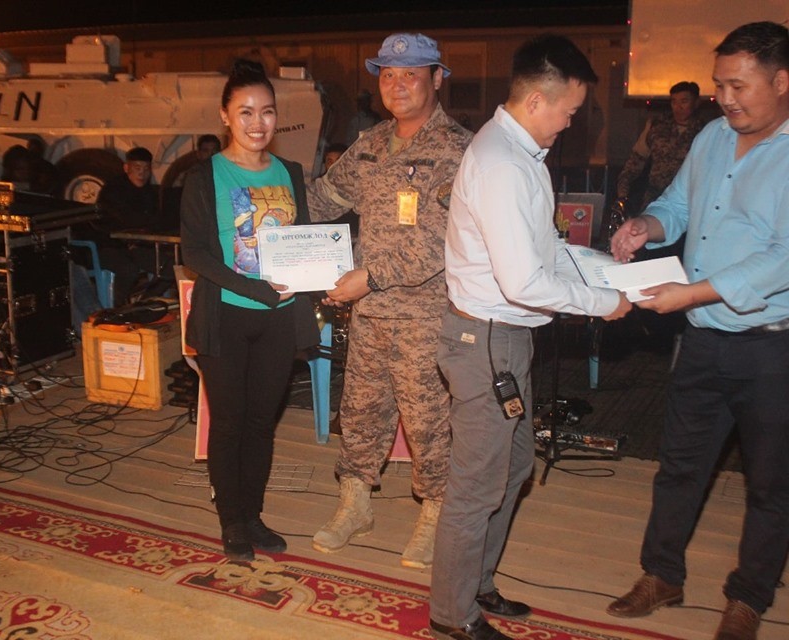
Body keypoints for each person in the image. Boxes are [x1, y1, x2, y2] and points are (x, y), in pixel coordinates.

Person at [428, 35, 631, 640]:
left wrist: (606, 270)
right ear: (538, 100)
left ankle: (477, 582)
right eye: (569, 111)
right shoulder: (503, 166)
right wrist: (604, 303)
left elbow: (544, 251)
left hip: (505, 340)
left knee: (514, 469)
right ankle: (451, 615)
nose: (570, 123)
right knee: (476, 486)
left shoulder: (522, 156)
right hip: (487, 341)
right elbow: (523, 283)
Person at [607, 22, 789, 640]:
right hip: (704, 339)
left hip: (773, 347)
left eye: (738, 85)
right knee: (680, 466)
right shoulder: (712, 138)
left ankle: (748, 599)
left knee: (771, 483)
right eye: (719, 85)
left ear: (782, 81)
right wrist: (647, 226)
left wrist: (692, 292)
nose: (724, 98)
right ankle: (662, 574)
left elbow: (782, 259)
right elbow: (679, 206)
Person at [306, 33, 473, 569]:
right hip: (370, 313)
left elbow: (442, 240)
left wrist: (370, 277)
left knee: (428, 421)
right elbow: (323, 199)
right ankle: (355, 504)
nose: (397, 85)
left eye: (411, 74)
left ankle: (436, 516)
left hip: (427, 315)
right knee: (360, 413)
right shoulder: (371, 144)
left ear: (437, 78)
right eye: (388, 75)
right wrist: (265, 201)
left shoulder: (460, 150)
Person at [180, 59, 320, 562]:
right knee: (230, 423)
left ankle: (254, 516)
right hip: (228, 316)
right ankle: (232, 522)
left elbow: (302, 241)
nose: (257, 123)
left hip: (279, 319)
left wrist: (320, 274)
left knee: (262, 423)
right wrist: (254, 289)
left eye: (266, 111)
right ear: (225, 116)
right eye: (245, 112)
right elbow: (195, 252)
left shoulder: (291, 173)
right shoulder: (205, 176)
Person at [614, 81, 706, 214]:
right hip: (655, 198)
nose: (678, 107)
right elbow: (635, 162)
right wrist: (622, 194)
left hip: (688, 201)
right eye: (674, 102)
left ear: (696, 102)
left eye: (684, 101)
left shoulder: (705, 132)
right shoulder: (656, 126)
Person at [91, 146, 162, 303]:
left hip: (138, 245)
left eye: (146, 169)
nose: (142, 173)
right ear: (126, 168)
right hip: (109, 246)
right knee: (128, 270)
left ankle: (145, 304)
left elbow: (156, 219)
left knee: (167, 267)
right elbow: (125, 220)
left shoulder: (150, 192)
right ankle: (118, 308)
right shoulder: (113, 190)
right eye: (137, 168)